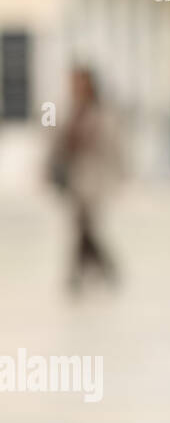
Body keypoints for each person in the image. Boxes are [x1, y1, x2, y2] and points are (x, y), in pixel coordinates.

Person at [47, 66, 124, 294]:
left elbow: (115, 146)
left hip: (95, 176)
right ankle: (105, 266)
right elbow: (53, 141)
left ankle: (77, 273)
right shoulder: (65, 110)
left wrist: (119, 176)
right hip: (73, 176)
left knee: (84, 224)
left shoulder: (102, 112)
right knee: (83, 226)